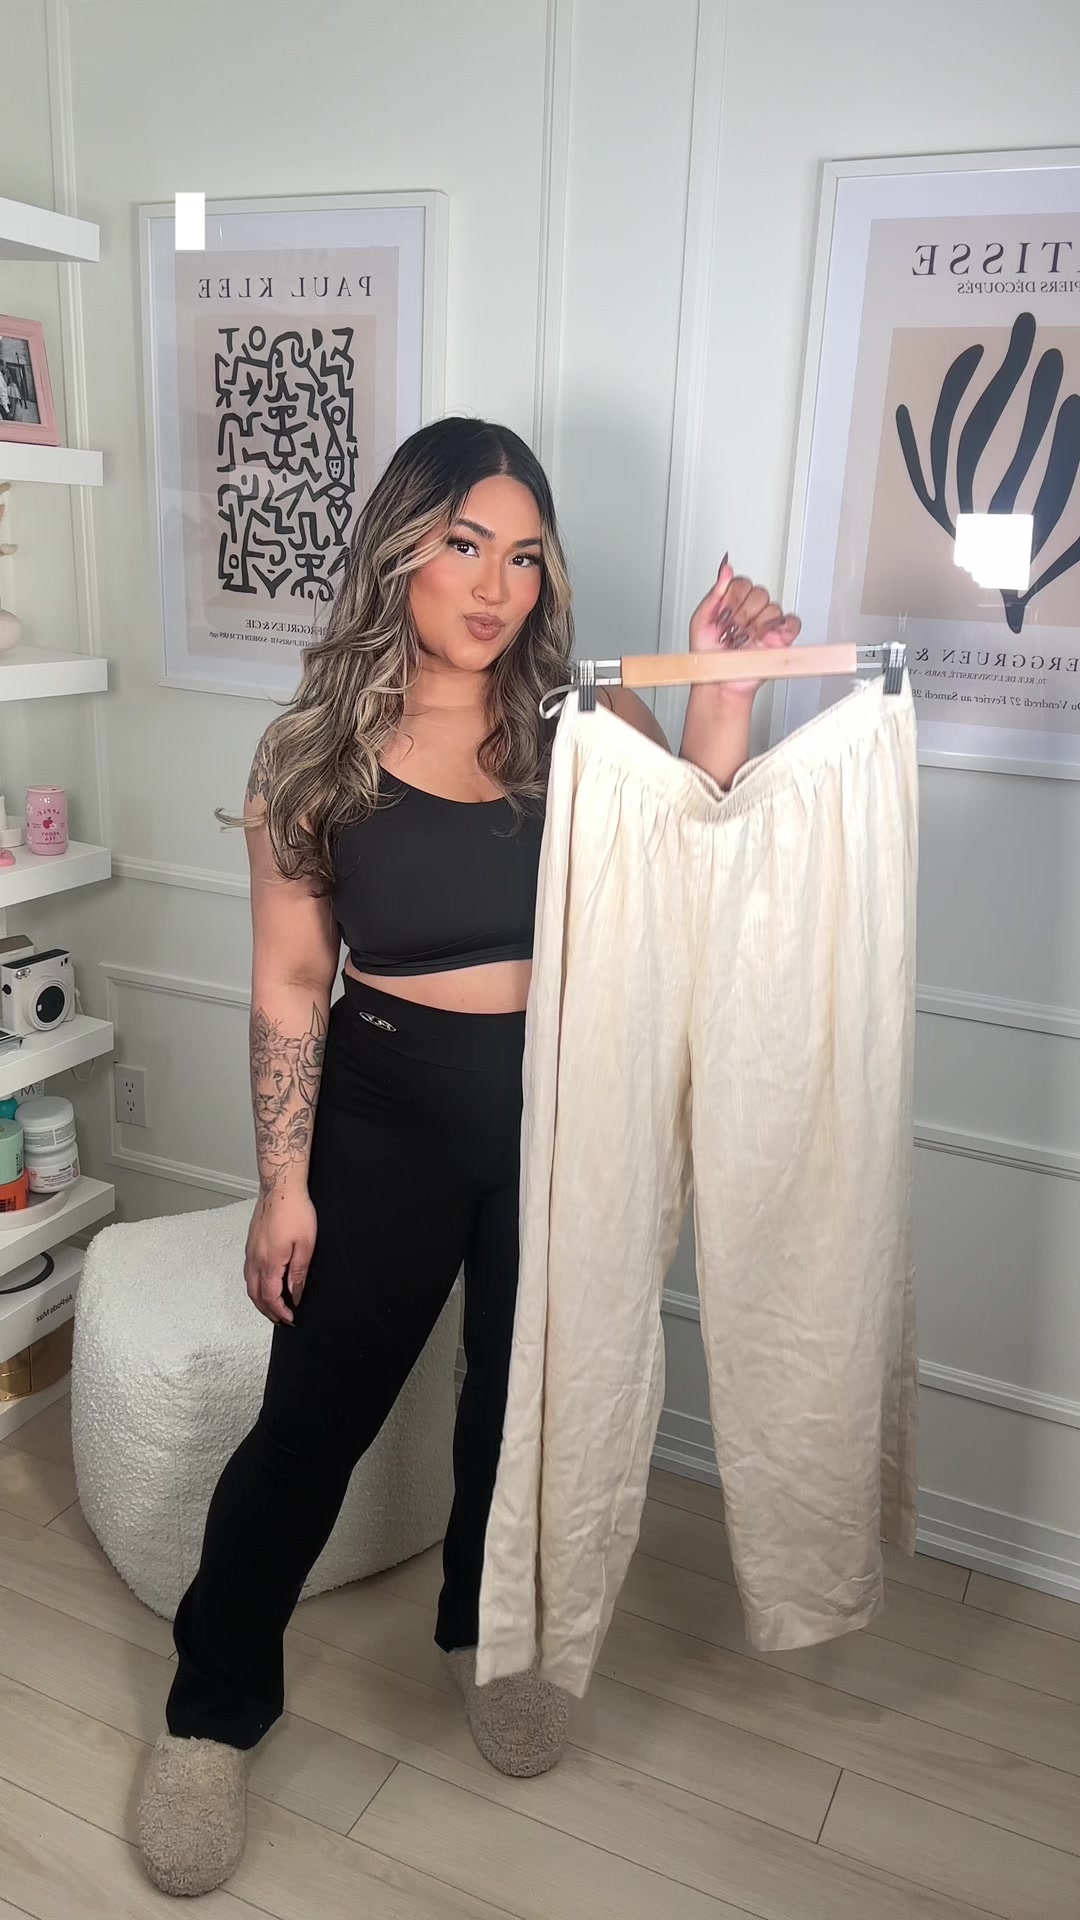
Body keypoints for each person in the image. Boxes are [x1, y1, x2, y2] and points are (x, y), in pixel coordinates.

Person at [137, 416, 800, 1898]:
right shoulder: (312, 755)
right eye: (463, 545)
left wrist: (726, 692)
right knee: (309, 1429)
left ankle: (481, 1636)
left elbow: (690, 860)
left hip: (566, 1111)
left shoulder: (581, 723)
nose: (495, 586)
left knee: (518, 1415)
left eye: (524, 556)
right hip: (386, 1107)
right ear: (401, 550)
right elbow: (290, 984)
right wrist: (283, 1184)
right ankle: (211, 1707)